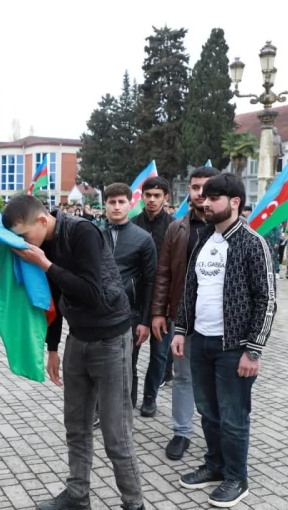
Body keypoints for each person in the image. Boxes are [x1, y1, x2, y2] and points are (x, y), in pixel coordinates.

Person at [2, 194, 146, 510]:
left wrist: (45, 264)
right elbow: (55, 296)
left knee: (116, 434)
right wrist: (53, 348)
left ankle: (134, 503)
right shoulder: (45, 242)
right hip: (77, 339)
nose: (23, 244)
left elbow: (92, 292)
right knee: (76, 426)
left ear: (42, 220)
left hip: (110, 338)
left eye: (23, 236)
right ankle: (78, 495)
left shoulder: (82, 232)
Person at [172, 173, 276, 508]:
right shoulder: (204, 239)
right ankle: (215, 466)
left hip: (234, 347)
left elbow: (266, 300)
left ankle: (236, 478)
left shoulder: (252, 242)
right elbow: (190, 289)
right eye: (204, 197)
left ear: (234, 202)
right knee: (208, 412)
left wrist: (253, 350)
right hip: (201, 341)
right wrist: (180, 330)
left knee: (233, 417)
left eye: (213, 197)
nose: (205, 203)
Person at [151, 165, 219, 461]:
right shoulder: (177, 228)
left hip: (220, 320)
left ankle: (220, 435)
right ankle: (181, 432)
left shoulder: (233, 228)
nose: (200, 193)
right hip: (184, 317)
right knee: (182, 377)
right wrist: (158, 312)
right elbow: (164, 273)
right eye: (195, 187)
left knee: (219, 379)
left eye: (207, 187)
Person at [99, 183, 156, 427]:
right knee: (99, 365)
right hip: (98, 313)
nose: (116, 206)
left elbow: (150, 282)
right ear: (105, 204)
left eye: (121, 202)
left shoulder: (143, 239)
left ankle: (124, 417)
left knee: (127, 366)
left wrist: (145, 320)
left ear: (130, 204)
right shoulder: (94, 234)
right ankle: (101, 412)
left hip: (129, 315)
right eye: (111, 202)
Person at [131, 176, 173, 416]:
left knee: (159, 355)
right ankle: (130, 395)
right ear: (142, 196)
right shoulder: (132, 225)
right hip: (136, 300)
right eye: (148, 195)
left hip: (163, 302)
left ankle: (150, 397)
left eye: (157, 195)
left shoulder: (175, 227)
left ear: (166, 197)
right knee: (131, 353)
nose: (152, 200)